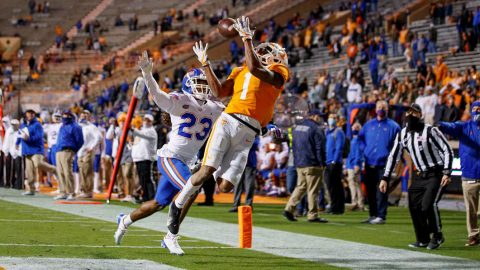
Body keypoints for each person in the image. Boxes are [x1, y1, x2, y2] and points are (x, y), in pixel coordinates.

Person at [168, 16, 288, 247]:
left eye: (267, 50)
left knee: (225, 186)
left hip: (249, 132)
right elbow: (220, 92)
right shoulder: (240, 69)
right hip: (229, 120)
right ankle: (178, 205)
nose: (263, 52)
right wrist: (206, 64)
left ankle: (199, 169)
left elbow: (255, 67)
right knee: (206, 171)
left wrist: (246, 39)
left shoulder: (278, 70)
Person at [114, 54, 224, 255]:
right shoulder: (180, 100)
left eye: (204, 83)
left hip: (187, 160)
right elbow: (156, 94)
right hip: (170, 157)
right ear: (188, 85)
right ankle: (170, 236)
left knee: (158, 203)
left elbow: (236, 117)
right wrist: (147, 73)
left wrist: (263, 126)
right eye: (198, 83)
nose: (202, 87)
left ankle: (125, 220)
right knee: (191, 188)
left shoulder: (215, 106)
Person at [382, 104, 453, 250]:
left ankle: (438, 235)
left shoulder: (430, 130)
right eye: (407, 112)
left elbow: (447, 150)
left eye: (413, 112)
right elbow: (393, 156)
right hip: (420, 174)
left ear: (420, 115)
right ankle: (423, 239)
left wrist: (447, 172)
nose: (409, 115)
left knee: (428, 204)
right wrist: (385, 177)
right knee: (413, 206)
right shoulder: (402, 134)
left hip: (436, 173)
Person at [438, 101, 480, 246]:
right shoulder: (464, 126)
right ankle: (473, 235)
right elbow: (451, 127)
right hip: (469, 175)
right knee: (471, 211)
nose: (478, 112)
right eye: (475, 109)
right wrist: (440, 124)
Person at [358, 100, 400, 224]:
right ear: (375, 109)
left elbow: (398, 145)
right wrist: (364, 150)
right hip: (369, 163)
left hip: (384, 164)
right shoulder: (368, 125)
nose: (381, 109)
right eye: (379, 107)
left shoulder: (394, 126)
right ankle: (373, 214)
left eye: (383, 107)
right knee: (370, 191)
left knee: (381, 191)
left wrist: (392, 159)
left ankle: (381, 216)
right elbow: (360, 139)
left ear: (387, 109)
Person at [283, 110, 328, 223]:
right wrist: (322, 162)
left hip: (299, 163)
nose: (320, 118)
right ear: (314, 116)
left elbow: (293, 145)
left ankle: (289, 208)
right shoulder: (316, 128)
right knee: (313, 190)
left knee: (300, 187)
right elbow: (319, 147)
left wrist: (297, 161)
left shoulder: (297, 127)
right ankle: (312, 214)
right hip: (313, 163)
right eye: (319, 116)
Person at [16, 109, 57, 195]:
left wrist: (28, 139)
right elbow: (20, 135)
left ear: (34, 115)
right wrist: (17, 143)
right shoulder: (23, 124)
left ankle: (54, 169)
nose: (29, 116)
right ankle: (31, 189)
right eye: (28, 114)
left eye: (31, 114)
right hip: (27, 149)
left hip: (36, 149)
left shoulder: (37, 125)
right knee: (29, 170)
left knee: (38, 163)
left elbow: (39, 137)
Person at [55, 110, 84, 200]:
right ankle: (63, 192)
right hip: (59, 150)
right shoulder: (62, 126)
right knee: (60, 172)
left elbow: (80, 141)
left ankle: (71, 192)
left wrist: (74, 150)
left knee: (68, 172)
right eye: (64, 115)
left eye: (67, 115)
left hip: (68, 150)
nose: (65, 117)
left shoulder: (75, 127)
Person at [132, 114, 158, 202]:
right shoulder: (141, 130)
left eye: (148, 120)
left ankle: (152, 197)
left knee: (148, 179)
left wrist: (132, 128)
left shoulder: (151, 131)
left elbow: (142, 135)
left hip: (146, 158)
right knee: (142, 179)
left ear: (152, 122)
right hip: (139, 158)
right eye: (145, 120)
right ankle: (145, 197)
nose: (146, 122)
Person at [229, 137, 259, 212]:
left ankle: (248, 204)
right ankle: (236, 204)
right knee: (237, 184)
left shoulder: (254, 134)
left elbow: (254, 145)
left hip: (250, 162)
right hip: (239, 161)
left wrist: (243, 141)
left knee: (249, 184)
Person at [324, 114, 345, 214]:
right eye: (330, 117)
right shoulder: (327, 131)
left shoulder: (338, 132)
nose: (331, 119)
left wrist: (334, 161)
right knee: (330, 185)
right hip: (327, 162)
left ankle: (338, 207)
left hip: (334, 163)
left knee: (336, 185)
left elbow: (339, 147)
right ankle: (334, 205)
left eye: (333, 117)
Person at [77, 110, 101, 199]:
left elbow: (98, 137)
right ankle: (83, 190)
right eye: (82, 116)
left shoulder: (91, 127)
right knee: (82, 171)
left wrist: (92, 147)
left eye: (85, 116)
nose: (83, 118)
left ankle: (88, 191)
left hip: (88, 152)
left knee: (87, 171)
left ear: (89, 117)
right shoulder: (79, 126)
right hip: (80, 152)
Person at [346, 122, 364, 211]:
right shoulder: (353, 139)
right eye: (354, 127)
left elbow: (358, 153)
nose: (355, 129)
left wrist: (357, 164)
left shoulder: (358, 140)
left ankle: (358, 203)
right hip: (350, 164)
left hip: (354, 165)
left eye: (357, 127)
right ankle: (357, 203)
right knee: (354, 184)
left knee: (356, 184)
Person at [3, 119, 20, 188]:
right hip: (10, 151)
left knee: (16, 168)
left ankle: (14, 183)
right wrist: (6, 152)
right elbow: (7, 141)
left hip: (17, 152)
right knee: (8, 168)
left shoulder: (19, 131)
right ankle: (8, 183)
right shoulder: (9, 131)